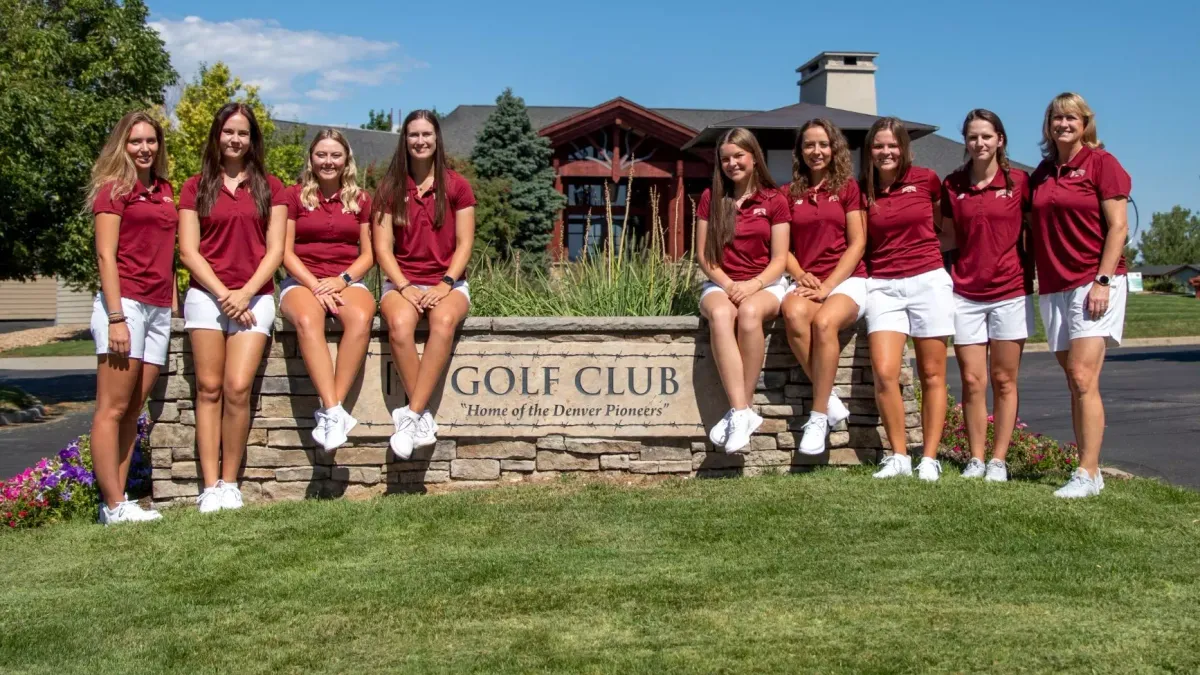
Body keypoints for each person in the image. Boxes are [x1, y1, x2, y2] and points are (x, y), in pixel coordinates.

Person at [178, 103, 286, 512]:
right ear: (217, 136)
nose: (235, 139)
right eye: (228, 132)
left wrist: (245, 294)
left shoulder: (270, 186)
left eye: (242, 133)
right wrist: (226, 293)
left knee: (237, 389)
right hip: (207, 296)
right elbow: (189, 251)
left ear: (252, 139)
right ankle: (209, 486)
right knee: (208, 389)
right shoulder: (195, 187)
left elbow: (275, 250)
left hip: (255, 297)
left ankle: (230, 481)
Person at [1029, 92, 1130, 498]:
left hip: (1094, 283)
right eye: (1057, 118)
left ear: (1085, 122)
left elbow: (1118, 227)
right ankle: (1088, 469)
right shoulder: (1042, 171)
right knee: (1075, 381)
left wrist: (1102, 281)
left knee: (1084, 377)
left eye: (1072, 117)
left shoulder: (1103, 164)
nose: (1064, 124)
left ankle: (1088, 474)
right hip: (1054, 286)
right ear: (1048, 125)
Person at [86, 111, 176, 524]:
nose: (144, 149)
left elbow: (167, 252)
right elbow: (106, 255)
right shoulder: (113, 191)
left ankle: (115, 503)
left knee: (133, 405)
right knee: (113, 407)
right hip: (126, 306)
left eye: (151, 141)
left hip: (158, 308)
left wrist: (172, 304)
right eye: (135, 141)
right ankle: (115, 504)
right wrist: (117, 317)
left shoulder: (164, 191)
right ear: (122, 144)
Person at [373, 110, 475, 460]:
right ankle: (423, 417)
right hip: (401, 283)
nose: (420, 141)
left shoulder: (457, 186)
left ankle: (410, 414)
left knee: (442, 323)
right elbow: (382, 249)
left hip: (449, 283)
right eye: (413, 135)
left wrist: (446, 283)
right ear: (404, 140)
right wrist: (404, 287)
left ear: (436, 139)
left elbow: (464, 244)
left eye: (426, 135)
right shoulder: (389, 188)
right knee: (400, 326)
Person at [941, 109, 1033, 483]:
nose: (979, 143)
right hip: (964, 293)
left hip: (1010, 291)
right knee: (972, 381)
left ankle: (998, 460)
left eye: (986, 136)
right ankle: (976, 458)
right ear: (965, 141)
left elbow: (1036, 230)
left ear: (1000, 139)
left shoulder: (1021, 183)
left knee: (1004, 379)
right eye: (972, 137)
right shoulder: (953, 184)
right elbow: (947, 236)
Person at [860, 117, 953, 481]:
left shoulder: (927, 179)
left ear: (904, 148)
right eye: (879, 146)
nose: (886, 152)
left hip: (927, 280)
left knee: (932, 373)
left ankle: (928, 457)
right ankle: (899, 456)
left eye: (892, 145)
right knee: (885, 372)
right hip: (882, 285)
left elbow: (947, 228)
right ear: (871, 151)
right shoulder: (863, 188)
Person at [279, 130, 376, 452]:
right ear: (311, 158)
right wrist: (314, 284)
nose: (328, 162)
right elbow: (285, 251)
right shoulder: (292, 196)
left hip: (345, 280)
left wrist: (342, 280)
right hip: (301, 280)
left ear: (346, 159)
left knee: (362, 317)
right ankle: (335, 411)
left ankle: (331, 411)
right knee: (308, 320)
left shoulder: (361, 199)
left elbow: (369, 253)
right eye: (322, 155)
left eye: (335, 155)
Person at [696, 128, 791, 454]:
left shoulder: (775, 200)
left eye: (739, 156)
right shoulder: (711, 199)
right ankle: (742, 412)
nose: (732, 163)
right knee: (722, 313)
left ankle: (740, 411)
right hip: (721, 282)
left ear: (753, 157)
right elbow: (706, 257)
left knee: (749, 314)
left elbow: (780, 259)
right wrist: (729, 285)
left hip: (766, 283)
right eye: (726, 158)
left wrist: (753, 285)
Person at [778, 119, 868, 456]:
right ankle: (828, 397)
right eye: (809, 145)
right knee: (792, 311)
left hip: (849, 280)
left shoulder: (848, 188)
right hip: (809, 281)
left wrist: (829, 285)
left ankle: (817, 417)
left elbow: (857, 243)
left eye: (823, 145)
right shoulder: (788, 194)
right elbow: (781, 248)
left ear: (834, 149)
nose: (817, 151)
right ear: (800, 152)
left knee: (824, 323)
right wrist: (801, 275)